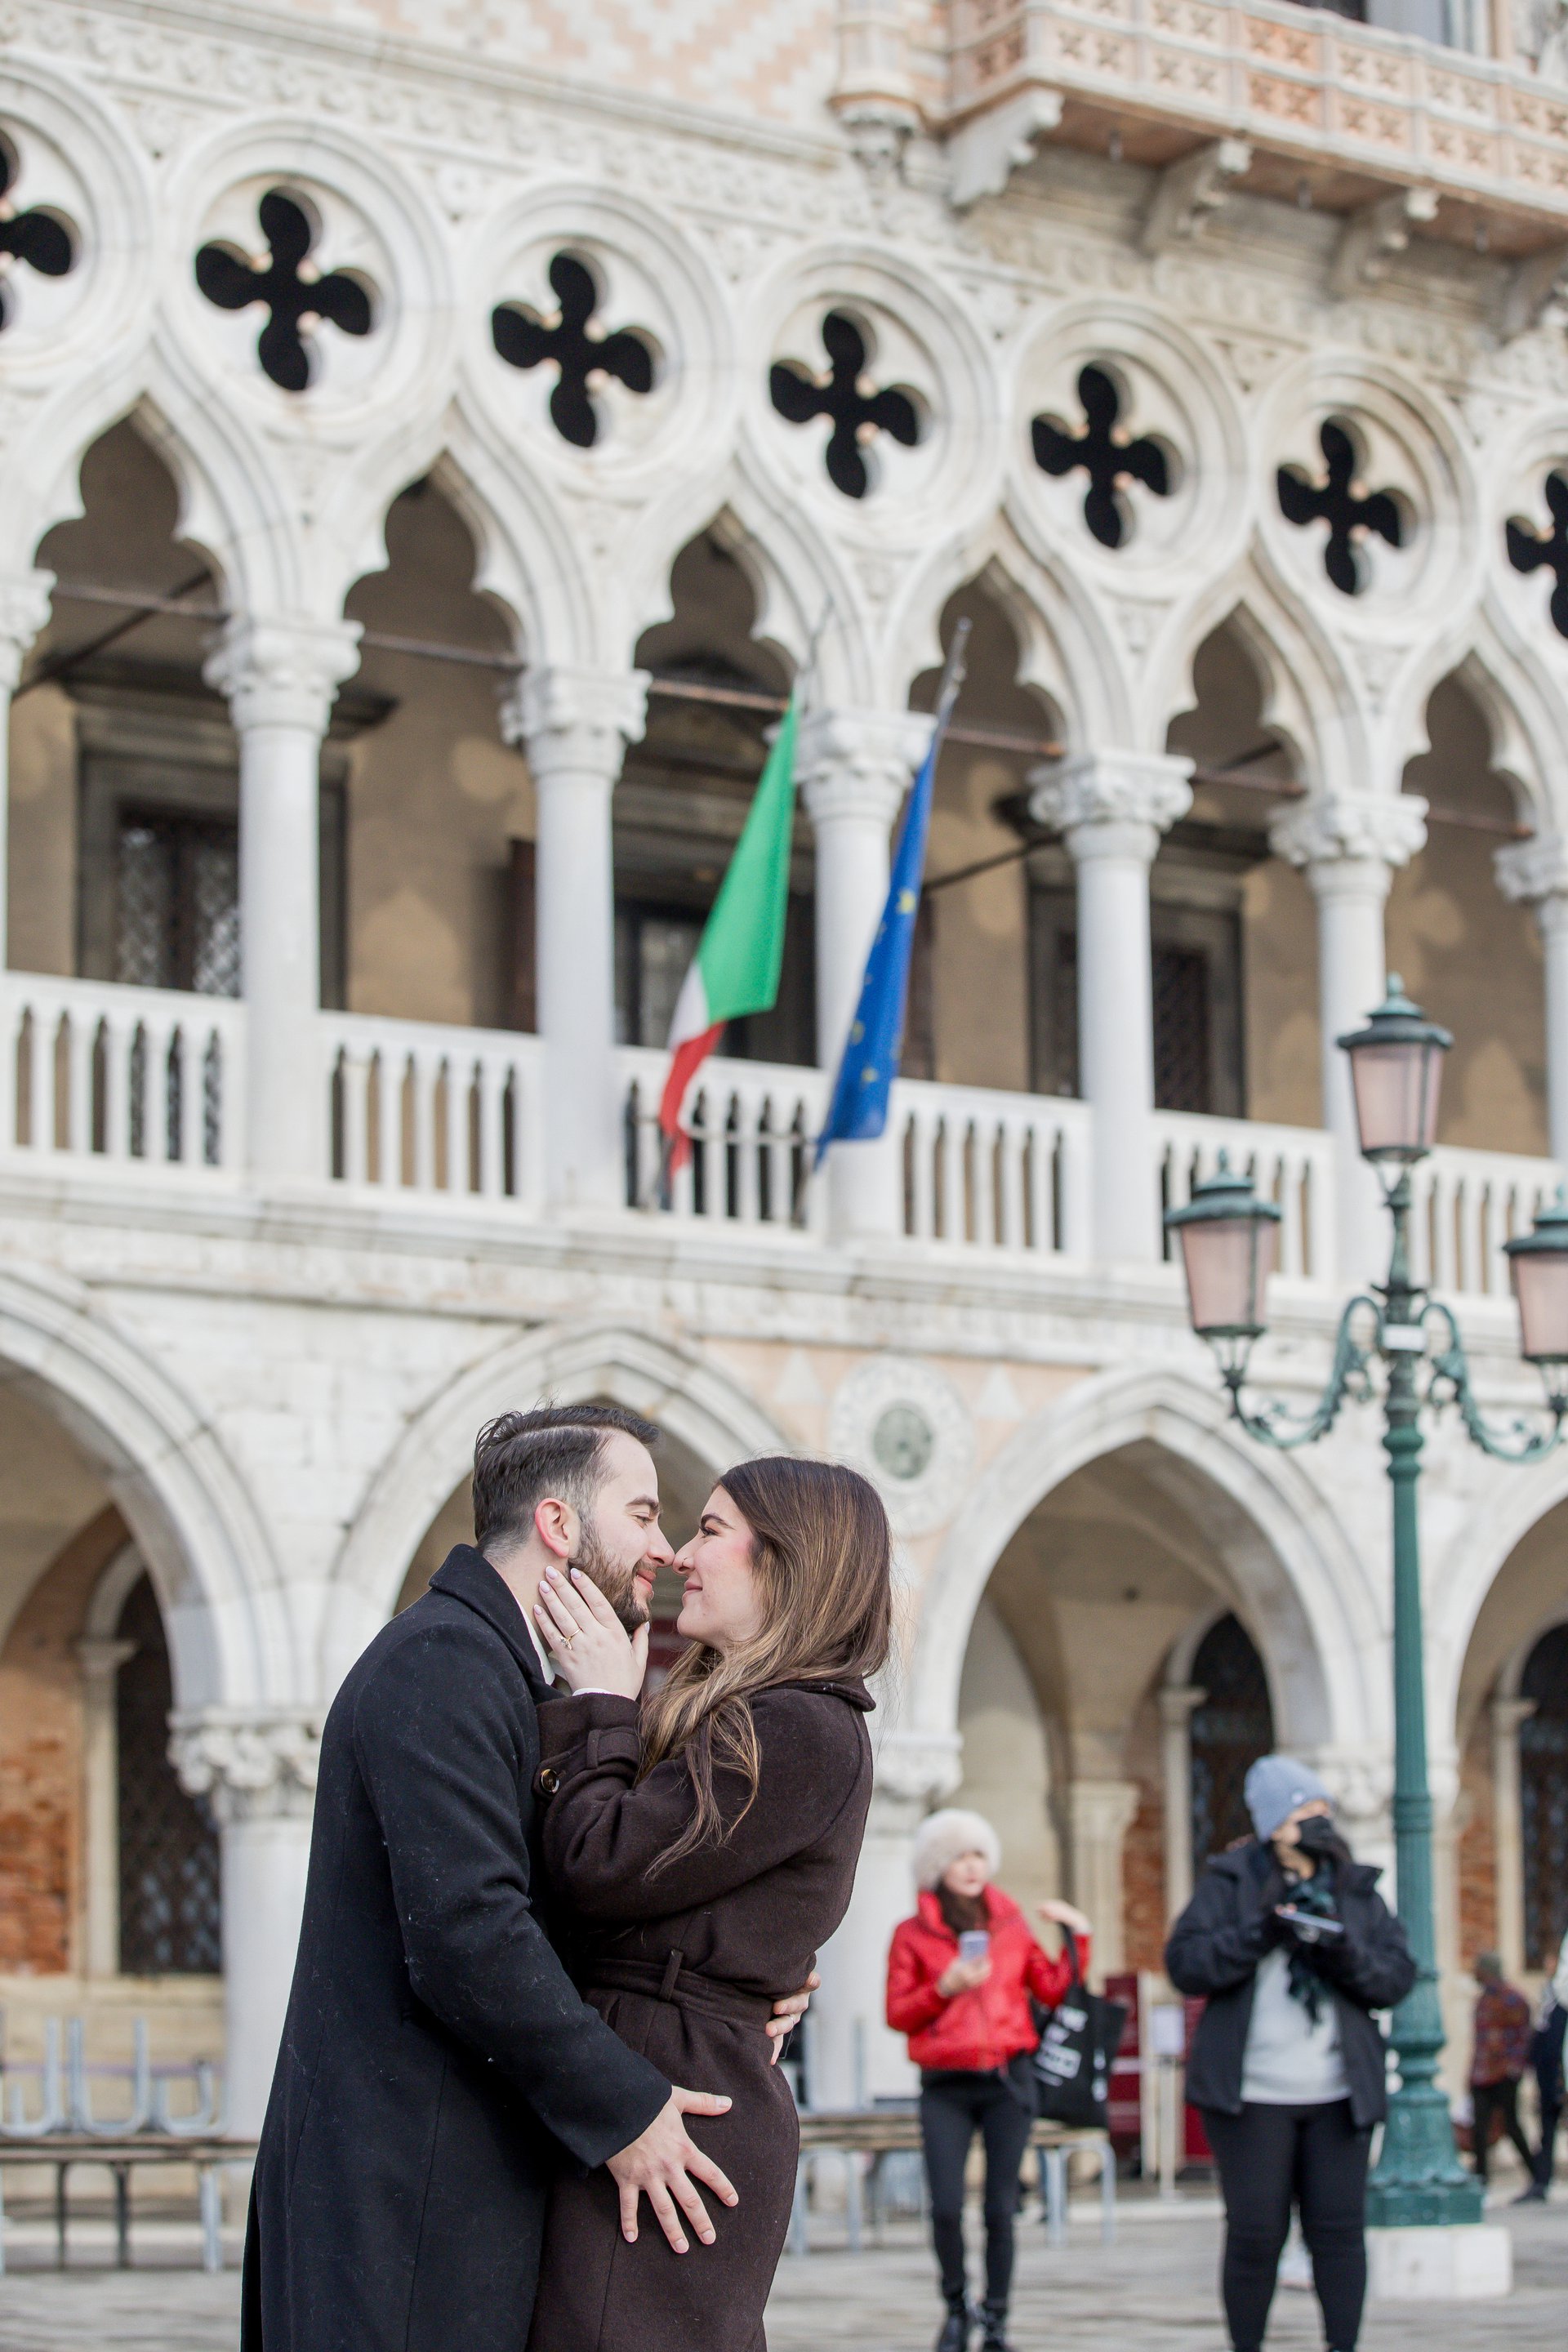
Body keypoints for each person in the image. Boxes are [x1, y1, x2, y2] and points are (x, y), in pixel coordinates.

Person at [242, 1405, 808, 2352]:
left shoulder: (500, 1673)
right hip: (400, 2192)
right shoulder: (441, 1663)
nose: (663, 1551)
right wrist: (625, 2108)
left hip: (450, 2177)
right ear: (558, 1525)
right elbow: (470, 1934)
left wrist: (751, 1969)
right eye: (642, 1514)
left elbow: (578, 1900)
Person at [523, 1454, 891, 2352]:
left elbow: (602, 1863)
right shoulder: (750, 1714)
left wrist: (603, 1701)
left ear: (786, 1560)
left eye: (713, 1530)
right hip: (657, 2076)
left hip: (681, 2106)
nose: (683, 1553)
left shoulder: (801, 1725)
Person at [1166, 1754, 1415, 2352]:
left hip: (1339, 2094)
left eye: (1325, 1809)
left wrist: (1340, 1951)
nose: (1322, 1821)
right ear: (1277, 1824)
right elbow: (1186, 1964)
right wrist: (1261, 1934)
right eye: (1308, 1811)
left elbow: (1396, 1976)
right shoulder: (1230, 1883)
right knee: (1255, 2233)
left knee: (1338, 2233)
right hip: (1252, 2095)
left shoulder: (1356, 1889)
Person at [885, 1808, 1093, 2352]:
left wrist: (1077, 1938)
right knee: (948, 2207)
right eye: (959, 1855)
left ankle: (997, 2319)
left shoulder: (1010, 1924)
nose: (972, 1865)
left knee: (1002, 2209)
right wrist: (945, 1988)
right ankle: (956, 2310)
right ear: (937, 1865)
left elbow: (1052, 1990)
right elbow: (898, 2013)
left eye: (979, 1853)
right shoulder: (911, 1934)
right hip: (945, 2085)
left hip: (1008, 2081)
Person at [1468, 1949, 1535, 2189]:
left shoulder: (1512, 1998)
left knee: (1511, 2125)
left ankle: (1536, 2173)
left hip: (1503, 2074)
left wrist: (1513, 2068)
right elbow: (1480, 2041)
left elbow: (1523, 2037)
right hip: (1482, 2074)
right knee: (1479, 2128)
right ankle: (1481, 2180)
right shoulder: (1483, 2000)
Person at [1521, 1928, 1568, 2202]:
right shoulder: (1550, 1997)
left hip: (1559, 2070)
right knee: (1547, 2127)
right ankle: (1541, 2180)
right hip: (1550, 2072)